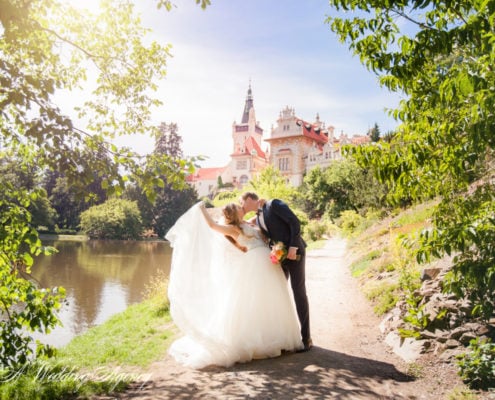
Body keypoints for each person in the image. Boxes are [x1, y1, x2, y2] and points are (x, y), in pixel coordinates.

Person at [165, 202, 303, 368]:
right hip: (254, 265)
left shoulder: (247, 223)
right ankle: (255, 341)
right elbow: (212, 225)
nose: (241, 207)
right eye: (238, 207)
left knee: (269, 300)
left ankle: (274, 337)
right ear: (234, 212)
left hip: (267, 264)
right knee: (252, 301)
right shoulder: (233, 229)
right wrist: (201, 209)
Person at [240, 192, 312, 352]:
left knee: (298, 292)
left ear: (250, 199)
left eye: (242, 203)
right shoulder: (258, 218)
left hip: (295, 252)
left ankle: (306, 338)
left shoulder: (273, 204)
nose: (242, 207)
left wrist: (293, 247)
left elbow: (294, 222)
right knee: (277, 294)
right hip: (280, 257)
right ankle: (283, 338)